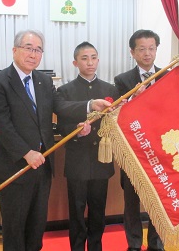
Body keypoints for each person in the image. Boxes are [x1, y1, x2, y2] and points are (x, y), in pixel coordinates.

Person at [0, 30, 112, 251]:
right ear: (15, 50)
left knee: (36, 226)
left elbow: (61, 106)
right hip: (13, 167)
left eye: (38, 50)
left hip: (42, 165)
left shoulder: (43, 80)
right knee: (15, 228)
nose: (33, 54)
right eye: (28, 48)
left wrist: (90, 105)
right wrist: (26, 153)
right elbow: (2, 125)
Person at [56, 42, 119, 251]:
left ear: (98, 60)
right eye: (84, 58)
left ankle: (96, 247)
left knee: (98, 211)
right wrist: (75, 129)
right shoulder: (65, 91)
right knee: (76, 210)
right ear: (75, 62)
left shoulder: (111, 89)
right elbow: (61, 125)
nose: (90, 62)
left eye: (93, 57)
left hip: (102, 159)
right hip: (77, 160)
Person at [114, 29, 168, 251]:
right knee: (132, 202)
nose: (147, 53)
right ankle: (134, 244)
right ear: (132, 52)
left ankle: (157, 243)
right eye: (142, 49)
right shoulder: (122, 80)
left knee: (159, 201)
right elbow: (116, 114)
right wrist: (132, 102)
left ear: (156, 49)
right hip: (134, 151)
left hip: (161, 151)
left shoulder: (167, 76)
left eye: (152, 48)